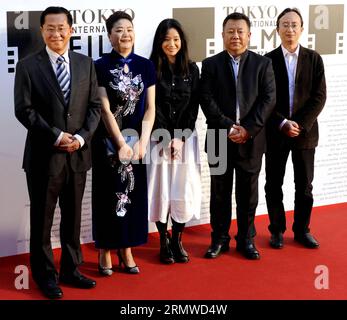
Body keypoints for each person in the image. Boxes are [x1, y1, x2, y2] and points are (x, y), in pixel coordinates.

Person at [14, 7, 101, 299]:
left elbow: (94, 108)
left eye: (62, 27)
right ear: (42, 31)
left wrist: (79, 137)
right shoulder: (28, 66)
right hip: (43, 157)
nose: (56, 33)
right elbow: (23, 110)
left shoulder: (85, 63)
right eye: (50, 28)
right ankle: (44, 275)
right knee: (42, 221)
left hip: (77, 155)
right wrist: (55, 135)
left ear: (71, 30)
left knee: (73, 218)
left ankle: (71, 269)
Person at [200, 12, 276, 260]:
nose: (235, 36)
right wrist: (228, 126)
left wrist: (248, 129)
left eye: (240, 31)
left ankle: (246, 239)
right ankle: (219, 238)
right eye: (230, 31)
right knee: (219, 192)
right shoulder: (210, 65)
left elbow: (268, 99)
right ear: (222, 35)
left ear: (249, 35)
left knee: (248, 193)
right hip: (218, 140)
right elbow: (207, 100)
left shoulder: (262, 64)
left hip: (251, 141)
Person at [91, 11, 155, 275]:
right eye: (118, 30)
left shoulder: (145, 65)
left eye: (128, 29)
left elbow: (151, 108)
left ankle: (126, 248)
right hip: (108, 141)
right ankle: (105, 249)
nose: (125, 34)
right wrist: (120, 143)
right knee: (108, 195)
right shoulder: (100, 66)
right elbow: (104, 109)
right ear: (109, 35)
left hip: (137, 142)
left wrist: (143, 141)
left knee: (133, 194)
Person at [264, 8, 326, 249]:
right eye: (285, 25)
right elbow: (265, 99)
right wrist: (282, 123)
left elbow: (319, 97)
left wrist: (298, 124)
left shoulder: (314, 58)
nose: (289, 29)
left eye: (294, 25)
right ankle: (277, 230)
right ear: (277, 30)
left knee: (304, 186)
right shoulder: (267, 60)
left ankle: (302, 230)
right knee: (273, 184)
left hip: (305, 134)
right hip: (276, 132)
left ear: (301, 29)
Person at [148, 19, 201, 264]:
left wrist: (179, 138)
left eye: (176, 39)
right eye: (167, 39)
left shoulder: (192, 69)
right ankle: (163, 241)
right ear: (160, 42)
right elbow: (150, 107)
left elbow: (193, 108)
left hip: (184, 141)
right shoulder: (150, 68)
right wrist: (164, 136)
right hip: (158, 140)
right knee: (160, 190)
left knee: (181, 189)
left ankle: (178, 240)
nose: (172, 44)